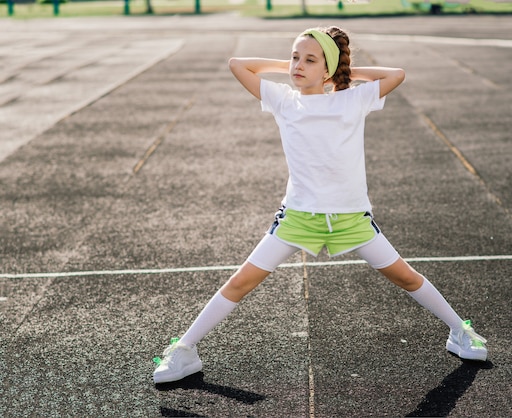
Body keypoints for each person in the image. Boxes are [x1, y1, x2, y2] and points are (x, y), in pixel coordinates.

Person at [153, 26, 487, 384]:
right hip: (298, 217)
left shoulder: (352, 99)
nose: (297, 65)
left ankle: (459, 330)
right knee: (241, 282)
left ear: (328, 69)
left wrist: (341, 72)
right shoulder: (283, 99)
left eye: (309, 60)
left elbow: (397, 74)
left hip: (351, 218)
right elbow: (238, 64)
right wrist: (297, 65)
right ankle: (184, 350)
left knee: (404, 276)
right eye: (295, 57)